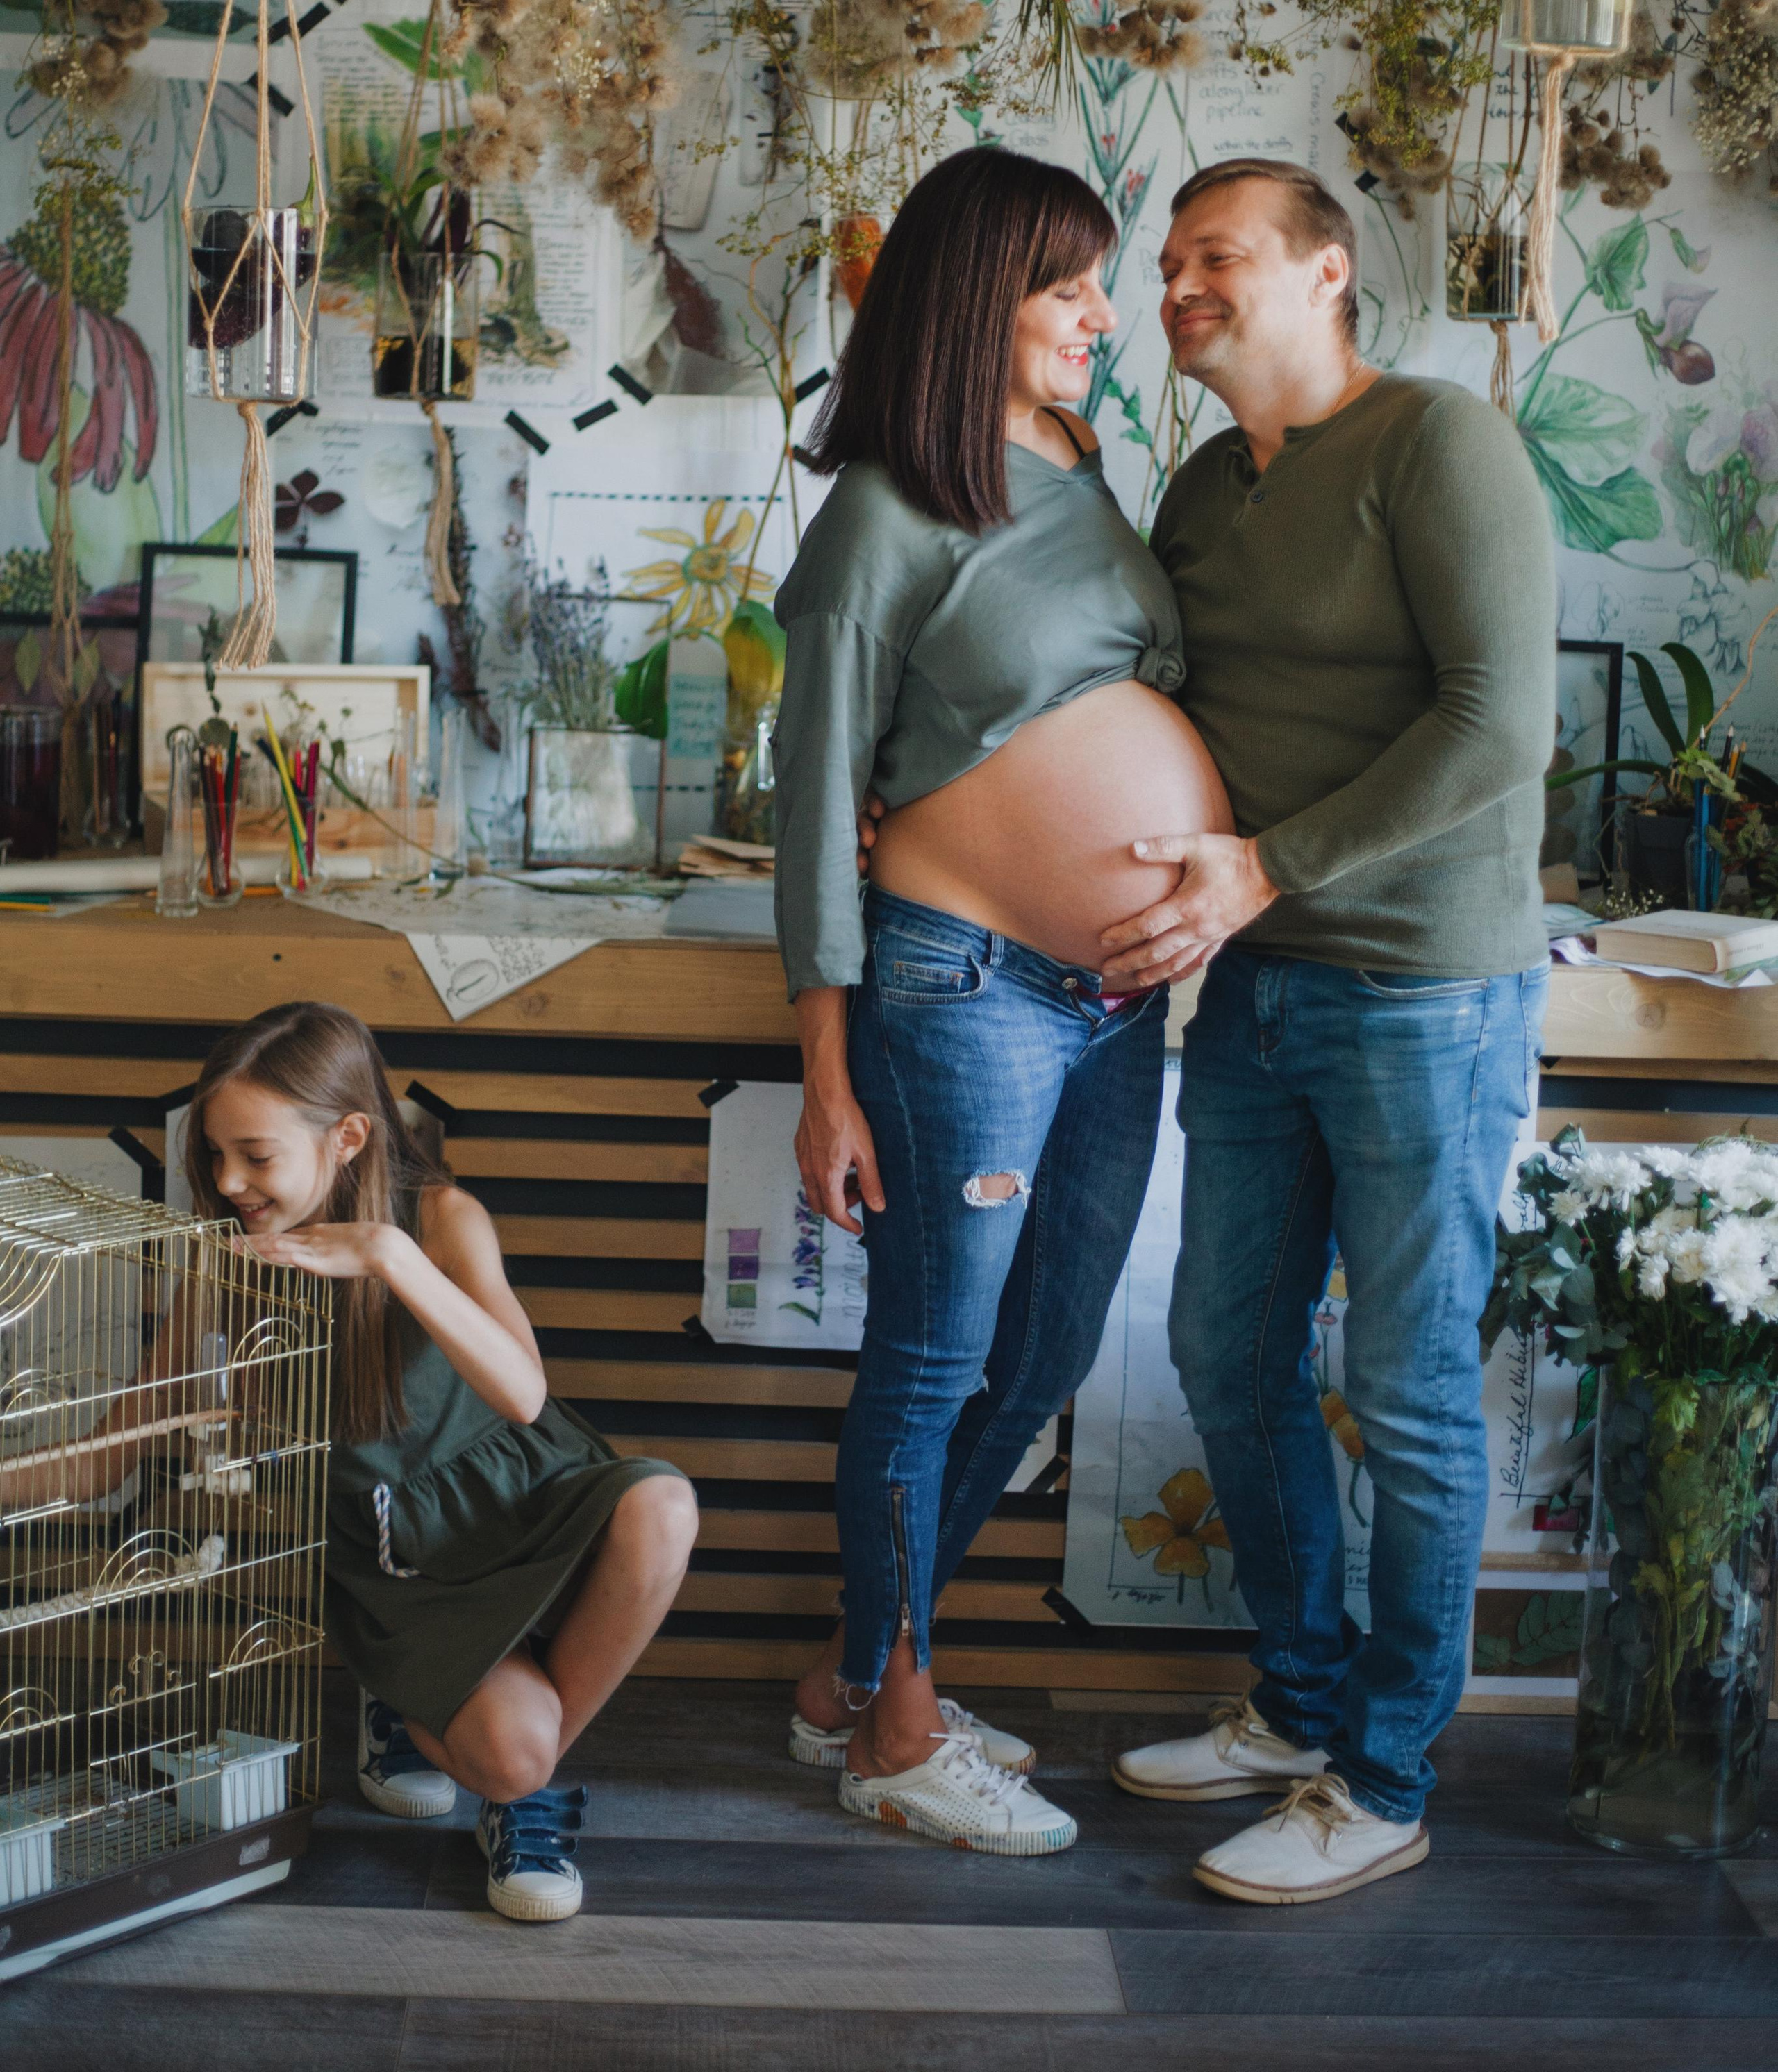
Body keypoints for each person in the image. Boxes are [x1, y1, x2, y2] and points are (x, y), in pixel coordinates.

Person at [1099, 157, 1554, 1905]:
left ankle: (1382, 1772)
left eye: (1215, 256)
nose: (1177, 288)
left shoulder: (1439, 444)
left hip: (1422, 991)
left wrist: (1264, 869)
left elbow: (1498, 720)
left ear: (1327, 272)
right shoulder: (1206, 482)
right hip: (1256, 979)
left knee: (1409, 1393)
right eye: (1166, 265)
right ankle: (1295, 1706)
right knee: (1223, 1348)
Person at [773, 143, 1232, 1855]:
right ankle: (895, 1727)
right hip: (955, 990)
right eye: (1063, 287)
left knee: (1038, 1355)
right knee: (933, 1354)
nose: (1101, 317)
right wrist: (826, 1071)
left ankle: (850, 1676)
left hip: (1110, 1001)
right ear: (976, 301)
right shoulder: (882, 517)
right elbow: (820, 807)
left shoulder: (1082, 467)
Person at [5, 1001, 700, 1925]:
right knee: (512, 1754)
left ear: (349, 1136)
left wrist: (389, 1255)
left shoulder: (443, 1219)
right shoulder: (230, 1260)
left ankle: (517, 1797)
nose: (228, 1179)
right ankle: (491, 1760)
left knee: (664, 1505)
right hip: (396, 1559)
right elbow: (109, 1457)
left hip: (523, 1502)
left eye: (255, 1154)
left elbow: (525, 1395)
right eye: (214, 1155)